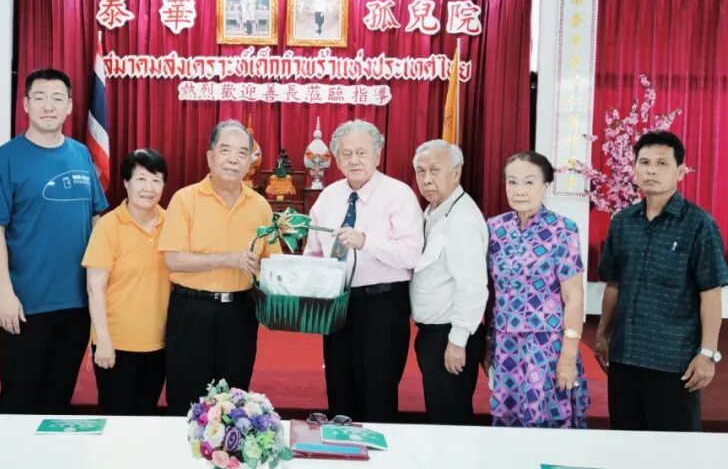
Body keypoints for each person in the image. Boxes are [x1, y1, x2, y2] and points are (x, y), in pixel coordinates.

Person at [0, 68, 109, 415]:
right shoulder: (4, 159)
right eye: (40, 98)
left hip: (76, 305)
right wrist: (5, 294)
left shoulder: (81, 155)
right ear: (26, 104)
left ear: (69, 106)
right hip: (26, 305)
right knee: (18, 401)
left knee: (57, 400)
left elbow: (97, 220)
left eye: (57, 98)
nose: (49, 106)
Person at [595, 131, 728, 432]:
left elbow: (711, 293)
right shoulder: (622, 222)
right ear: (634, 168)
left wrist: (707, 353)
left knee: (674, 449)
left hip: (673, 361)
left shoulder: (699, 224)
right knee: (625, 444)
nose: (651, 170)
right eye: (644, 162)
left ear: (680, 171)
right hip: (625, 357)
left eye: (661, 163)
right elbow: (614, 284)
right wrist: (603, 334)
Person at [304, 120, 423, 423]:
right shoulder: (328, 197)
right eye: (346, 154)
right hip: (337, 306)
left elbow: (411, 253)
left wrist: (366, 242)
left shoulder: (399, 194)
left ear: (377, 155)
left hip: (383, 305)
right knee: (339, 388)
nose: (354, 160)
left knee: (378, 392)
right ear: (336, 158)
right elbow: (313, 251)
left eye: (361, 152)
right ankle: (342, 446)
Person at [159, 120, 278, 415]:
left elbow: (273, 264)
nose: (233, 159)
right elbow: (173, 259)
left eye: (242, 153)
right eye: (225, 150)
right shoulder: (185, 199)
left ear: (250, 161)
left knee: (233, 403)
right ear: (210, 156)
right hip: (191, 311)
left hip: (240, 314)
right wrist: (228, 259)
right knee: (186, 400)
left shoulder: (260, 206)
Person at [485, 151, 589, 428]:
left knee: (544, 419)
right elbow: (491, 291)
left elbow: (574, 296)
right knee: (508, 420)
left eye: (529, 182)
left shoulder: (563, 229)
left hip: (545, 344)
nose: (519, 190)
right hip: (505, 343)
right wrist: (488, 342)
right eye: (512, 182)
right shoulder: (495, 228)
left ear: (546, 185)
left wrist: (568, 356)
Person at [82, 149, 170, 415]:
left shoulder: (172, 223)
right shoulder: (108, 226)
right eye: (141, 179)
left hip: (159, 343)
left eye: (156, 180)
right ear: (126, 183)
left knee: (146, 414)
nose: (148, 188)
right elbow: (95, 288)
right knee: (116, 416)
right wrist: (103, 340)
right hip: (116, 343)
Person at [410, 139, 488, 425]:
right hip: (434, 335)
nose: (426, 179)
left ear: (456, 173)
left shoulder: (462, 218)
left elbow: (473, 286)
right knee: (441, 414)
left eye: (435, 170)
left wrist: (457, 342)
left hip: (451, 337)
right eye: (421, 171)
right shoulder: (435, 210)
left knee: (451, 420)